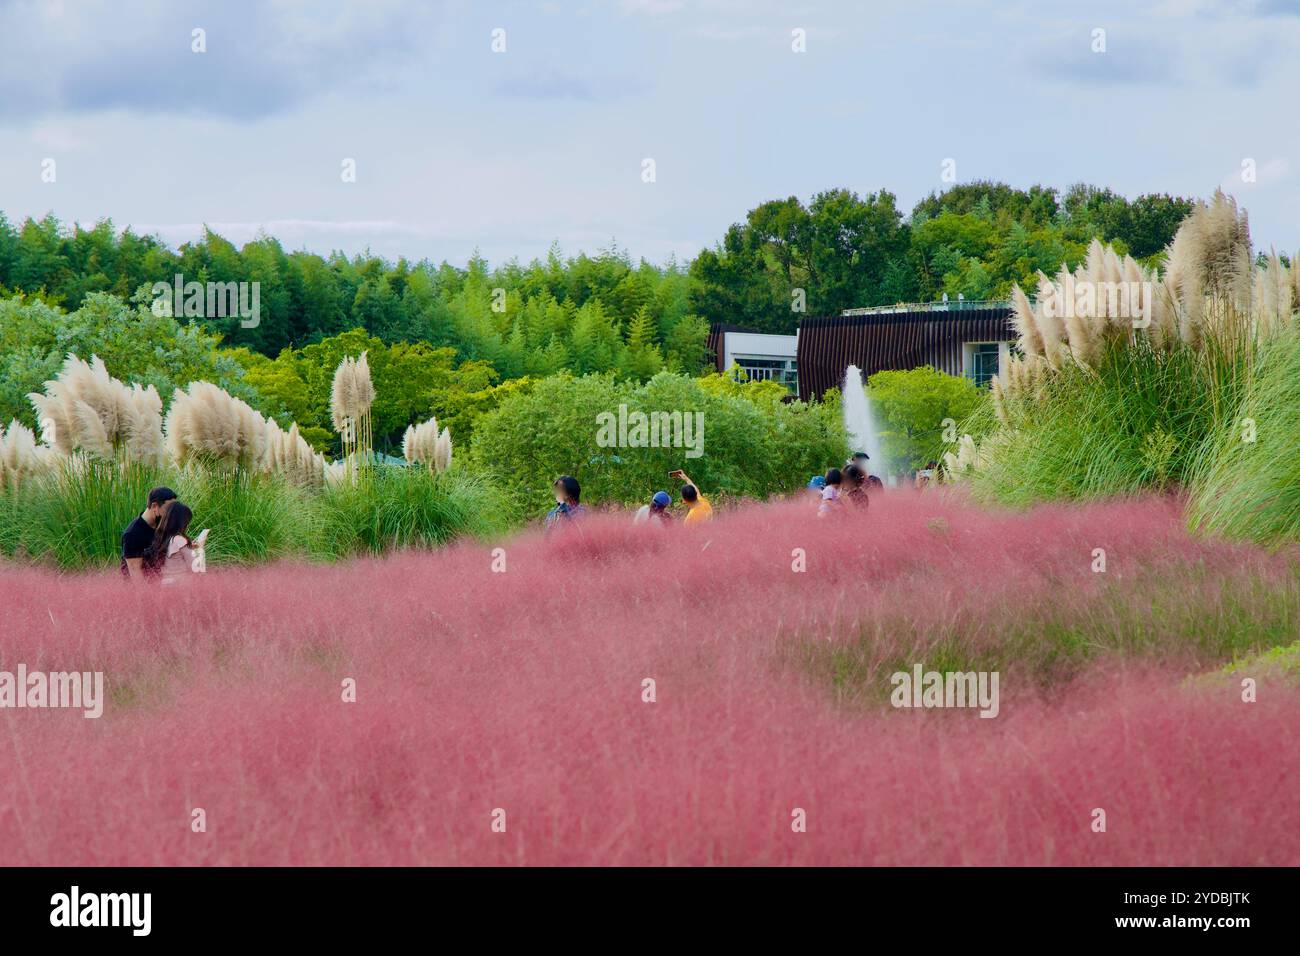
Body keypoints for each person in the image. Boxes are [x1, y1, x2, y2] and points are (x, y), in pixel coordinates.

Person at [121, 486, 177, 579]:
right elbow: (136, 576)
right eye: (168, 508)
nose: (172, 512)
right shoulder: (132, 534)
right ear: (154, 506)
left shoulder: (162, 524)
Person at [141, 500, 200, 584]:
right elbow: (195, 566)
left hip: (164, 584)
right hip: (180, 585)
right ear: (182, 522)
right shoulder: (179, 539)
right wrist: (199, 550)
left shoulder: (162, 537)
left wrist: (189, 548)